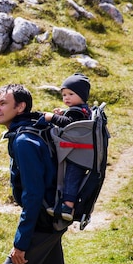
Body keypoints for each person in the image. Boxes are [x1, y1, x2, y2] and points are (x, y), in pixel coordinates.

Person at [0, 84, 73, 264]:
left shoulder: (24, 141)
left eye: (3, 103)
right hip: (53, 219)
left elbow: (33, 195)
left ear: (20, 107)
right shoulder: (34, 129)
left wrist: (21, 243)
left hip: (42, 222)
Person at [43, 73, 91, 221]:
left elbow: (70, 123)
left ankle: (67, 207)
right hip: (78, 151)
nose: (66, 98)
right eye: (64, 94)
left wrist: (52, 117)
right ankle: (66, 204)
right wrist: (62, 113)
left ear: (82, 95)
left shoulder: (78, 111)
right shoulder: (81, 110)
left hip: (78, 153)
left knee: (71, 177)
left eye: (71, 94)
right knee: (71, 177)